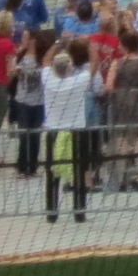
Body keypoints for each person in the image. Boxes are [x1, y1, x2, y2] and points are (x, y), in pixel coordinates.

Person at [40, 42, 95, 221]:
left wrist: (58, 43)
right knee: (79, 171)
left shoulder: (48, 81)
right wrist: (91, 46)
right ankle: (79, 211)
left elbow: (45, 60)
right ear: (70, 68)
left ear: (54, 69)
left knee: (53, 172)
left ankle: (51, 212)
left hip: (54, 132)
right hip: (76, 131)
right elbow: (94, 65)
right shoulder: (78, 82)